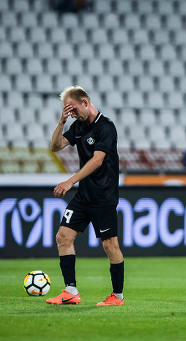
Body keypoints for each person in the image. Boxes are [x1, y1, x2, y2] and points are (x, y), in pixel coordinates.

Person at [46, 86, 124, 306]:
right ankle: (70, 290)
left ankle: (117, 296)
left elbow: (98, 160)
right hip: (84, 195)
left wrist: (70, 180)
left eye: (73, 109)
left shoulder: (106, 127)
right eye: (67, 111)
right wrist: (61, 122)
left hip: (104, 195)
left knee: (110, 245)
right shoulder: (78, 126)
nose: (72, 114)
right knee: (63, 237)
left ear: (85, 102)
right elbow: (55, 146)